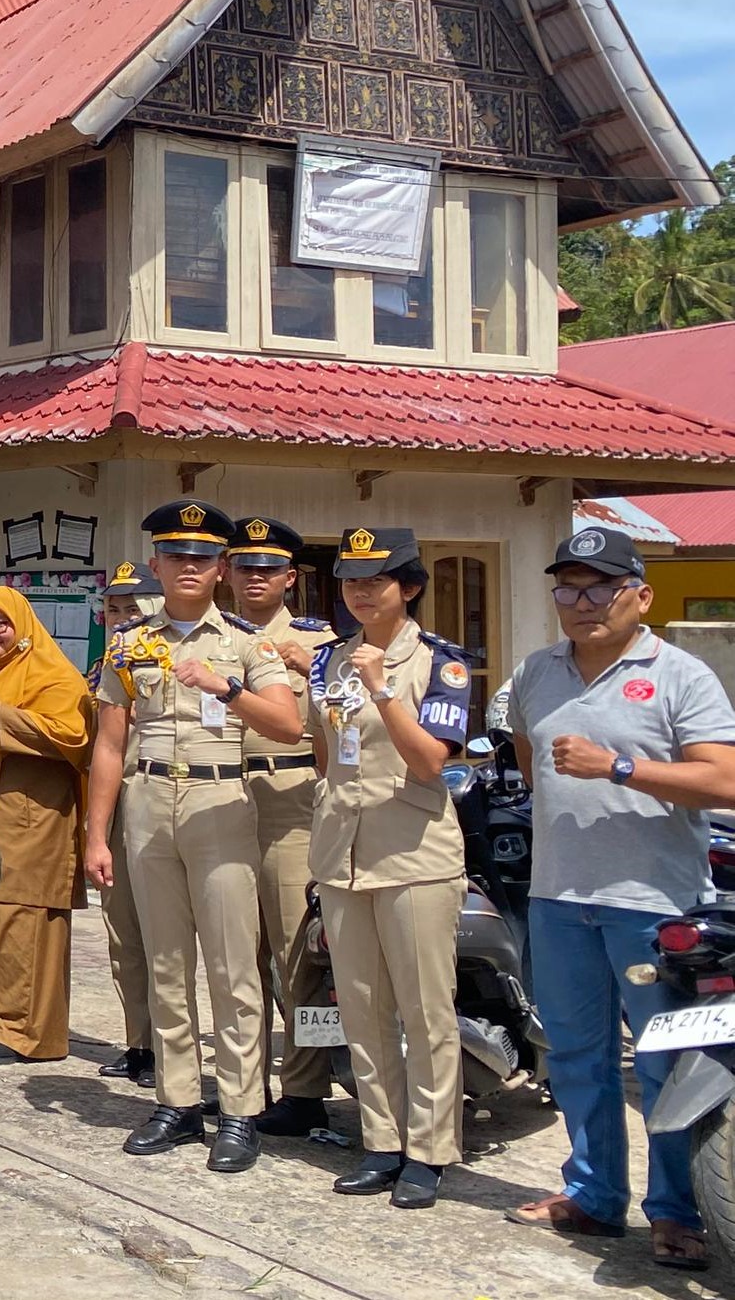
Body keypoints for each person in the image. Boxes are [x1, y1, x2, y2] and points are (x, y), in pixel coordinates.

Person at [504, 527, 735, 1266]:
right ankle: (594, 1195)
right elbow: (525, 751)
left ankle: (674, 1210)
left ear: (639, 594)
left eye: (598, 587)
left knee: (666, 1067)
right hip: (558, 895)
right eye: (566, 588)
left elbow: (723, 780)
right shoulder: (536, 671)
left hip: (654, 902)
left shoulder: (680, 675)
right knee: (574, 1056)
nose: (580, 603)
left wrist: (620, 767)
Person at [82, 500, 297, 1174]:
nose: (188, 567)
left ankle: (239, 1109)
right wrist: (96, 836)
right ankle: (177, 1102)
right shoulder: (127, 643)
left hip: (219, 800)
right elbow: (109, 746)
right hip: (148, 801)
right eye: (176, 556)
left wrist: (223, 687)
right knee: (166, 961)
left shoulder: (243, 642)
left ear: (219, 569)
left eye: (202, 558)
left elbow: (288, 726)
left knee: (233, 964)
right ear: (155, 565)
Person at [306, 527, 473, 1210]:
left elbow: (432, 761)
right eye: (349, 580)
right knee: (363, 1007)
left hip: (413, 854)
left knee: (423, 1009)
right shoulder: (328, 660)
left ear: (407, 587)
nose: (359, 592)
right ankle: (381, 1140)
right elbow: (327, 755)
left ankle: (428, 1152)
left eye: (375, 580)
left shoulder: (440, 663)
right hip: (341, 851)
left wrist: (380, 690)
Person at [225, 516, 341, 1138]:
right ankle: (245, 1086)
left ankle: (304, 1087)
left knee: (297, 953)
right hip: (222, 795)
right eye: (244, 567)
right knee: (236, 953)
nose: (254, 578)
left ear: (290, 577)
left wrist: (313, 666)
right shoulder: (211, 637)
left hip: (291, 793)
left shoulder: (318, 641)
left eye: (267, 568)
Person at [0, 584, 92, 1066]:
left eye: (0, 624)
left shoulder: (53, 674)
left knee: (28, 917)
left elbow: (75, 736)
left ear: (22, 623)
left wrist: (0, 714)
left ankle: (24, 1033)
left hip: (35, 812)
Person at [93, 561, 162, 1089]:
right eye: (114, 608)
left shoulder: (171, 662)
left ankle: (169, 1048)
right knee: (124, 934)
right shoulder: (103, 669)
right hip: (115, 811)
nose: (121, 618)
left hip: (161, 803)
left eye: (132, 608)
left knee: (168, 938)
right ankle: (139, 1043)